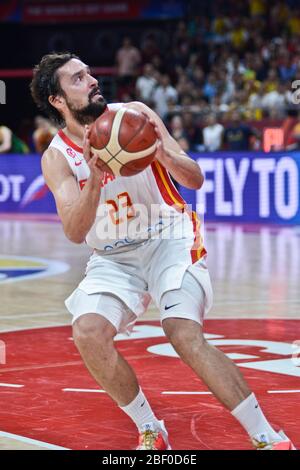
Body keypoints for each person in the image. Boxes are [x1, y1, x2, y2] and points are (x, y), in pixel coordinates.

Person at [30, 52, 295, 451]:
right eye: (78, 79)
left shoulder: (135, 115)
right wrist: (95, 181)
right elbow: (73, 230)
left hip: (169, 236)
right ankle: (151, 429)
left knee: (182, 332)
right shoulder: (57, 157)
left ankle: (267, 437)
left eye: (89, 73)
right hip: (114, 257)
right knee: (87, 332)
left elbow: (196, 178)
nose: (92, 80)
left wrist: (163, 153)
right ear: (58, 100)